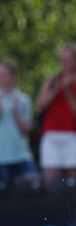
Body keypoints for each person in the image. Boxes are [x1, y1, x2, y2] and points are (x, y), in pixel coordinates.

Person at [35, 43, 76, 191]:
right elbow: (40, 105)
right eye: (62, 59)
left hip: (75, 135)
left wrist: (69, 92)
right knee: (50, 181)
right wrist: (56, 89)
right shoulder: (52, 80)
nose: (65, 63)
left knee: (73, 181)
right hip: (51, 134)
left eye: (69, 59)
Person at [0, 60, 39, 188]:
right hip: (1, 156)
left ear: (13, 76)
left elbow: (26, 131)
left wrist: (15, 112)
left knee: (32, 186)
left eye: (5, 74)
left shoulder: (22, 99)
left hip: (21, 154)